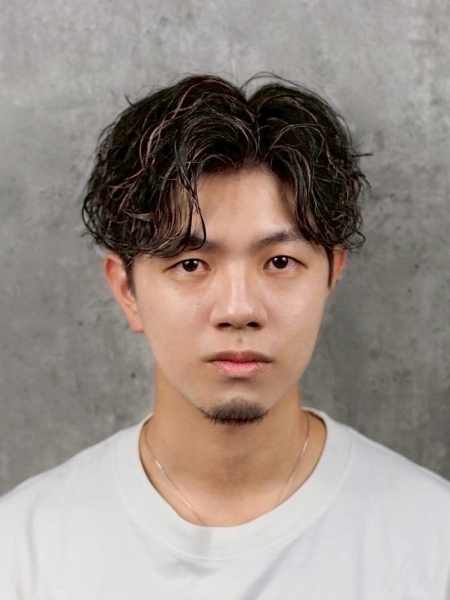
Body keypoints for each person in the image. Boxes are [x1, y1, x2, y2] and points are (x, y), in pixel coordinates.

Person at [1, 74, 449, 599]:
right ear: (127, 290)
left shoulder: (431, 544)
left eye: (279, 262)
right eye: (191, 264)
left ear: (331, 273)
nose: (239, 310)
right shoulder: (23, 553)